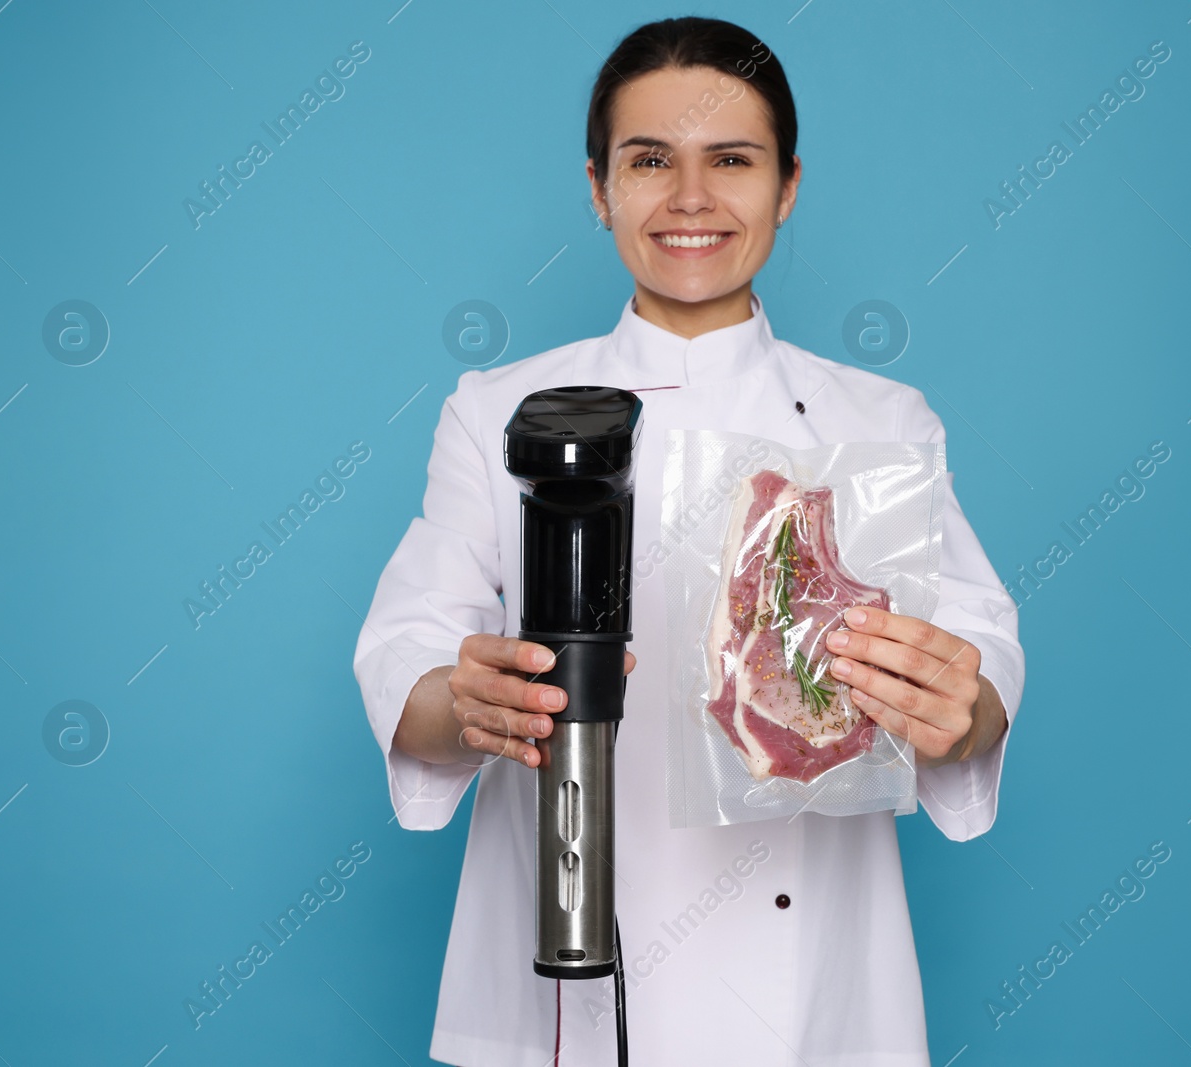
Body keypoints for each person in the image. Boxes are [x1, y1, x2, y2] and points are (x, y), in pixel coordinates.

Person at [352, 16, 1025, 1066]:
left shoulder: (881, 421)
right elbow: (408, 654)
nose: (691, 198)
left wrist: (959, 704)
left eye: (732, 160)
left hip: (814, 997)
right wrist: (468, 699)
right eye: (649, 160)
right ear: (597, 187)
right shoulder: (500, 409)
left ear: (787, 185)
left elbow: (980, 655)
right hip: (569, 988)